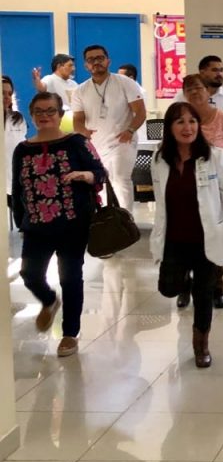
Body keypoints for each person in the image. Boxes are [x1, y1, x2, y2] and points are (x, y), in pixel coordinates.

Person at [151, 102, 223, 368]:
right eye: (180, 122)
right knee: (167, 288)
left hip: (207, 237)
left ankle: (200, 344)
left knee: (204, 293)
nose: (187, 127)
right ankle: (185, 281)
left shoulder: (214, 156)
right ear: (169, 128)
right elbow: (160, 201)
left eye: (192, 121)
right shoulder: (160, 159)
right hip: (173, 237)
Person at [12, 91, 106, 358]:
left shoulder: (75, 142)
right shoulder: (23, 149)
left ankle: (69, 334)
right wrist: (21, 220)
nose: (45, 116)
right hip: (36, 226)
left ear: (60, 114)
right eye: (39, 112)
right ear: (32, 115)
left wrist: (85, 175)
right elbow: (17, 186)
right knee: (29, 274)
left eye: (50, 111)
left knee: (71, 277)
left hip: (73, 223)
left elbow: (100, 172)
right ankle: (49, 301)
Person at [71, 44, 146, 210]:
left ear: (108, 61)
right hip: (95, 144)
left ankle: (125, 221)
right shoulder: (80, 90)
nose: (96, 62)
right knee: (101, 181)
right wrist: (83, 132)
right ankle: (108, 221)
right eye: (91, 60)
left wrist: (130, 130)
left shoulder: (125, 83)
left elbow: (140, 112)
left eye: (100, 58)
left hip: (123, 141)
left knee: (120, 179)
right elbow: (77, 120)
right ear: (86, 65)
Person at [175, 55, 223, 143]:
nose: (219, 74)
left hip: (222, 151)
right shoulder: (183, 97)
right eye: (215, 70)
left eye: (221, 70)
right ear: (202, 72)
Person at [3, 76, 27, 201]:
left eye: (9, 93)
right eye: (2, 93)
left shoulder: (18, 118)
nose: (6, 97)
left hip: (17, 183)